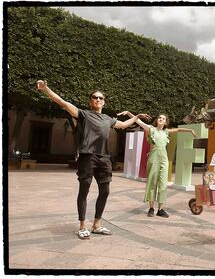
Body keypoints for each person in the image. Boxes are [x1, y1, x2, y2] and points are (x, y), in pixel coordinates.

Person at [36, 80, 151, 240]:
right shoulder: (83, 114)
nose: (97, 99)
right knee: (84, 190)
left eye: (100, 98)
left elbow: (123, 125)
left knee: (105, 191)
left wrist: (137, 117)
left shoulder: (108, 119)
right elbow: (62, 102)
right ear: (90, 101)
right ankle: (82, 225)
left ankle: (96, 224)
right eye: (94, 97)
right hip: (87, 156)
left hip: (104, 158)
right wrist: (46, 89)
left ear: (104, 102)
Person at [117, 111, 197, 218]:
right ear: (157, 120)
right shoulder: (151, 129)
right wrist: (128, 113)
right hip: (153, 158)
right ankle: (151, 208)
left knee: (163, 184)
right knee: (152, 182)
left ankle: (161, 209)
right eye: (159, 117)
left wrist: (190, 130)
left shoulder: (166, 132)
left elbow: (178, 130)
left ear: (165, 122)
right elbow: (138, 121)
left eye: (163, 118)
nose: (161, 119)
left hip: (164, 159)